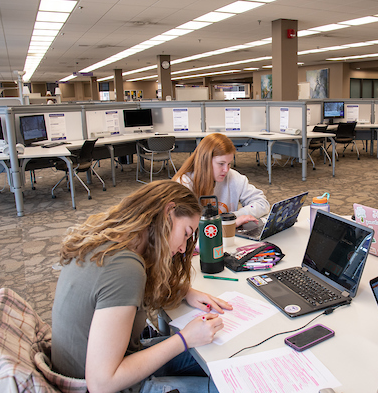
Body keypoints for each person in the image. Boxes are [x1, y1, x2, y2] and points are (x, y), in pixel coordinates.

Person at [51, 180, 233, 392]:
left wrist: (184, 291)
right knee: (228, 384)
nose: (184, 248)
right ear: (168, 212)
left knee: (213, 354)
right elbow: (102, 383)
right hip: (106, 383)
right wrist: (184, 339)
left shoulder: (110, 243)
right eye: (185, 233)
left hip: (89, 368)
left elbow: (113, 293)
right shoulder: (125, 268)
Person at [174, 133, 270, 227]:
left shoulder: (233, 176)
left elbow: (262, 203)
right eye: (221, 163)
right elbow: (185, 224)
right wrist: (228, 223)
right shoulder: (185, 183)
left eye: (229, 164)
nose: (226, 170)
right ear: (205, 161)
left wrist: (232, 217)